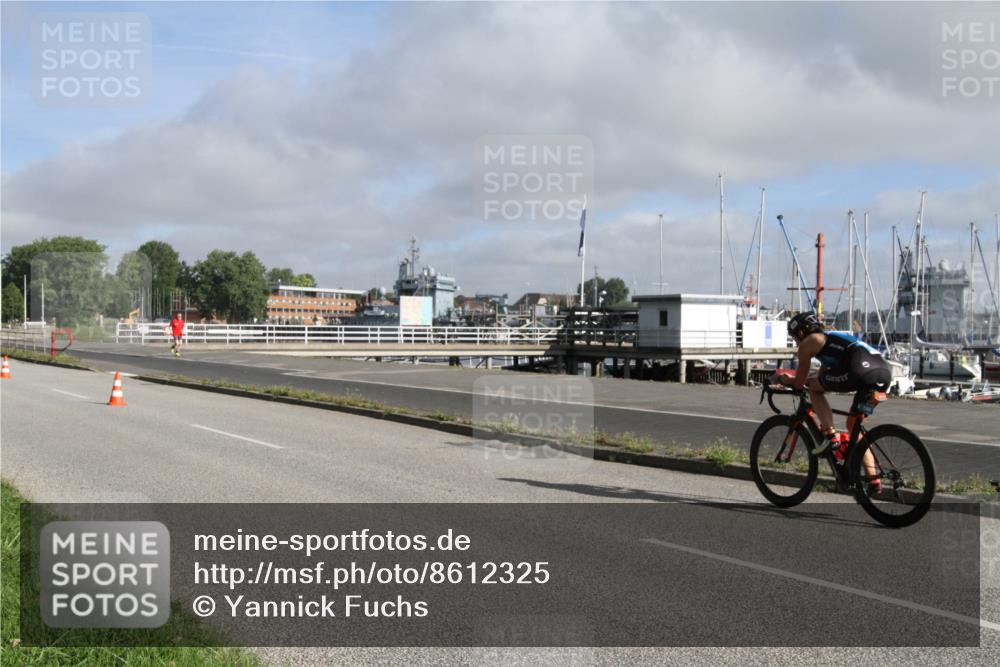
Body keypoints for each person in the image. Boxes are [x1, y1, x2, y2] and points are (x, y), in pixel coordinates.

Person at [774, 312, 891, 491]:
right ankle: (874, 479)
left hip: (859, 370)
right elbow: (821, 377)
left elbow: (800, 383)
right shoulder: (830, 341)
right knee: (854, 424)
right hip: (882, 372)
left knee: (813, 389)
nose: (796, 342)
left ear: (800, 333)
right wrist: (806, 381)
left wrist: (783, 379)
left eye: (794, 337)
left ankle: (831, 437)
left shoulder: (808, 342)